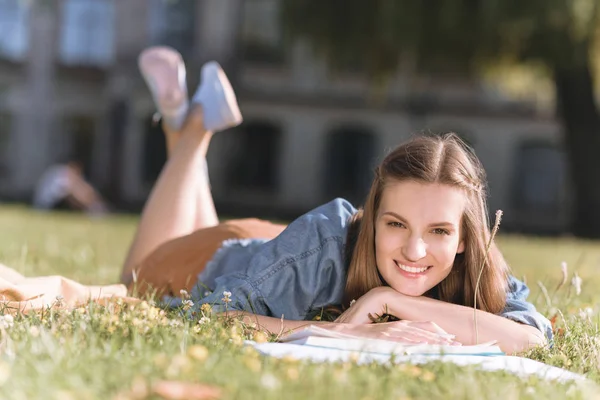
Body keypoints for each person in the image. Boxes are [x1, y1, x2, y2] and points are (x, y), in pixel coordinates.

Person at [123, 46, 551, 354]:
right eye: (396, 224)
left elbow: (531, 338)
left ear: (463, 237)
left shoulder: (477, 269)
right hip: (211, 263)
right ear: (372, 218)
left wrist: (392, 301)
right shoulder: (325, 243)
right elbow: (209, 316)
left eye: (438, 230)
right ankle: (194, 128)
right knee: (134, 276)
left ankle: (180, 115)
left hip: (273, 249)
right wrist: (348, 333)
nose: (415, 251)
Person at [32, 159, 109, 215]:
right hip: (47, 205)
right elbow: (69, 192)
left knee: (80, 190)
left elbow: (84, 187)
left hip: (54, 203)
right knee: (72, 195)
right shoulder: (62, 174)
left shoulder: (60, 172)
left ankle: (95, 207)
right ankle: (92, 210)